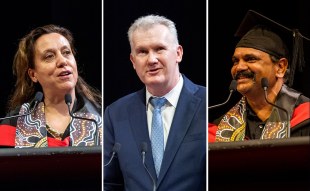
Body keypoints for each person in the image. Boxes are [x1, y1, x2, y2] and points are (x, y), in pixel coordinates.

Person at [104, 14, 206, 190]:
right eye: (142, 52)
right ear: (133, 61)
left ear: (178, 53)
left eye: (159, 49)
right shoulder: (116, 113)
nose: (151, 60)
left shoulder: (207, 104)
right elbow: (108, 182)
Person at [209, 10, 310, 142]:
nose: (239, 67)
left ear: (280, 67)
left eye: (250, 59)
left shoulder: (305, 117)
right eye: (235, 61)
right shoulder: (219, 129)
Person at [0, 24, 102, 147]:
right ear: (33, 74)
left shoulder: (102, 118)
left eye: (66, 52)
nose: (63, 61)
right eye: (49, 56)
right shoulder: (14, 125)